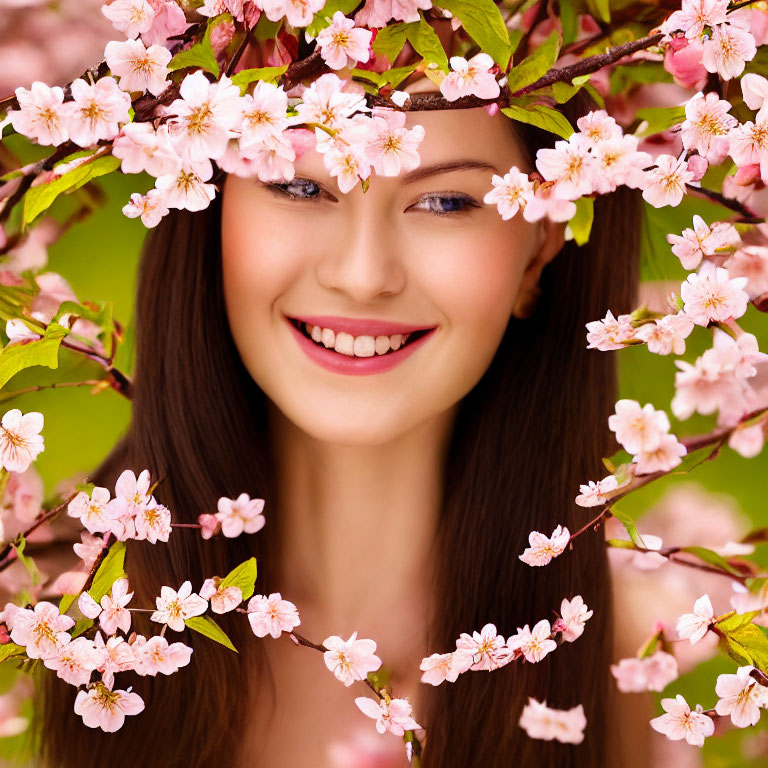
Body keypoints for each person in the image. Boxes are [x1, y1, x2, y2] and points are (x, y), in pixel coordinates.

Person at [38, 65, 643, 767]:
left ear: (541, 247)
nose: (363, 275)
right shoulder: (54, 617)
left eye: (445, 202)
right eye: (300, 186)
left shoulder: (623, 659)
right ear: (203, 199)